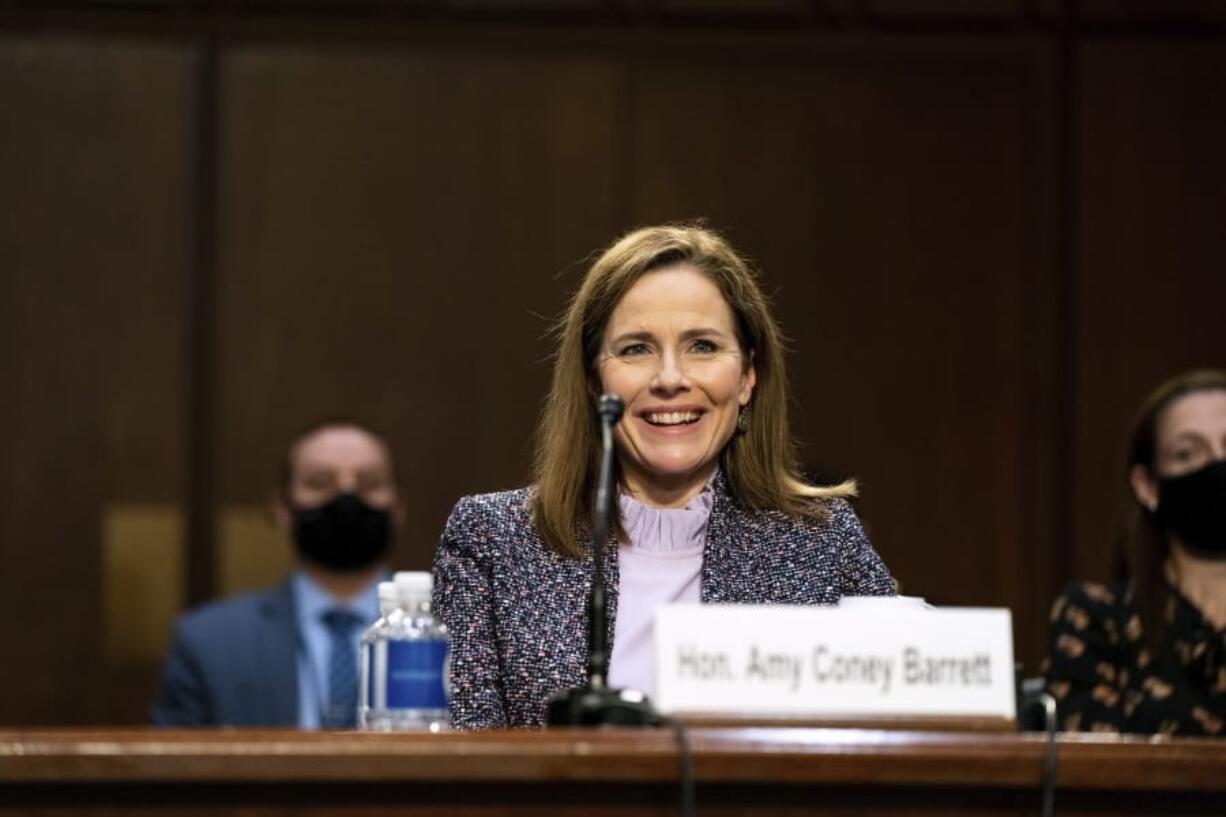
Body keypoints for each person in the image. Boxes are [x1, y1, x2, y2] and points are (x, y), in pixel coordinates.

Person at [432, 223, 895, 729]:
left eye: (702, 346)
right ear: (593, 381)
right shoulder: (492, 539)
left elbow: (906, 740)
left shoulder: (822, 542)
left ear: (747, 377)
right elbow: (461, 768)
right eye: (636, 349)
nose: (670, 379)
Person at [152, 418, 404, 727]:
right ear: (283, 509)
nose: (346, 498)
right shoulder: (208, 641)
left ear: (397, 507)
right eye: (321, 482)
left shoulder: (457, 636)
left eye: (369, 483)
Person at [1043, 369, 1226, 735]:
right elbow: (1095, 770)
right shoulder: (1099, 620)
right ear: (1147, 486)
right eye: (1188, 453)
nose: (1217, 464)